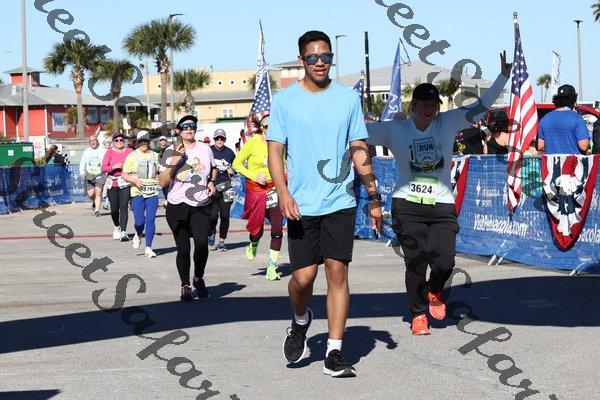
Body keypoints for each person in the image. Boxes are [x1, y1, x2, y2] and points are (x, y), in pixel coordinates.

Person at [367, 52, 510, 336]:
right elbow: (356, 132)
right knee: (416, 261)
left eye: (434, 104)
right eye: (425, 104)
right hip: (407, 206)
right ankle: (418, 314)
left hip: (441, 204)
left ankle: (435, 289)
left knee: (444, 262)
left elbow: (481, 107)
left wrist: (503, 77)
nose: (430, 109)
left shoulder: (448, 122)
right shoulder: (396, 129)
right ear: (413, 106)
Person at [267, 30, 382, 377]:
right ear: (301, 60)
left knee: (337, 271)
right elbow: (275, 151)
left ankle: (334, 351)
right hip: (300, 204)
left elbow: (359, 148)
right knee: (303, 279)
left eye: (326, 57)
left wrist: (373, 197)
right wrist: (283, 192)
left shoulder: (347, 99)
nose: (320, 63)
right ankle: (301, 320)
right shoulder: (285, 101)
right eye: (313, 57)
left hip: (340, 200)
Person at [158, 115, 217, 301]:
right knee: (183, 249)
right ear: (178, 130)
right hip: (177, 205)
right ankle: (185, 285)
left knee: (201, 243)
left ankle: (198, 278)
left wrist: (212, 182)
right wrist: (175, 160)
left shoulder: (205, 149)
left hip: (200, 203)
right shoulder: (170, 151)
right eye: (185, 127)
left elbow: (213, 169)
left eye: (192, 126)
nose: (189, 129)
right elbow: (162, 182)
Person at [233, 116, 285, 281]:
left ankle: (272, 267)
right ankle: (254, 242)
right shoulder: (253, 142)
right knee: (257, 230)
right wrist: (254, 175)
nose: (271, 130)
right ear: (262, 128)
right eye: (268, 127)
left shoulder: (279, 143)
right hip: (256, 189)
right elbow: (236, 164)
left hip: (274, 189)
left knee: (277, 229)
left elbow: (284, 163)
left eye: (273, 127)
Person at [122, 130, 160, 258]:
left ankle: (148, 248)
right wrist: (134, 180)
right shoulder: (132, 156)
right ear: (138, 142)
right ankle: (138, 233)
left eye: (146, 141)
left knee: (150, 219)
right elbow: (124, 174)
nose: (144, 143)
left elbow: (160, 172)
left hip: (153, 192)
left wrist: (159, 178)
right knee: (139, 222)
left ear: (149, 142)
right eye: (141, 141)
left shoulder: (155, 155)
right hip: (137, 192)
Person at [537, 84, 590, 155]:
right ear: (573, 100)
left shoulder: (544, 119)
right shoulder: (577, 119)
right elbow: (583, 146)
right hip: (572, 161)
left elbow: (540, 146)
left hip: (551, 161)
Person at [102, 132, 133, 241]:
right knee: (114, 209)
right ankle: (117, 226)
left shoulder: (130, 151)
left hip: (125, 182)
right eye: (116, 140)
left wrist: (127, 168)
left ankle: (124, 232)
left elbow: (135, 164)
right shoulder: (109, 152)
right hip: (113, 182)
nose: (119, 142)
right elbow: (103, 168)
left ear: (124, 141)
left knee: (124, 207)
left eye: (121, 140)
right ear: (113, 142)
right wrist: (114, 166)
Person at [208, 128, 236, 251]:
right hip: (213, 187)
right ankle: (212, 232)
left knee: (225, 215)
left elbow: (236, 169)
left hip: (227, 187)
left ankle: (222, 241)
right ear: (214, 139)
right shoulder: (209, 151)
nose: (219, 140)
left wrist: (232, 170)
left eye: (222, 138)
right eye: (217, 138)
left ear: (225, 140)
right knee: (213, 215)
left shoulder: (230, 152)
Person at [79, 135, 106, 217]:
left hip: (100, 174)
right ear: (89, 142)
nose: (93, 142)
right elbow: (82, 162)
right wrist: (81, 172)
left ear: (97, 141)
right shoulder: (86, 152)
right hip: (89, 174)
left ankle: (97, 210)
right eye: (91, 141)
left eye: (94, 140)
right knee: (91, 194)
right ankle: (94, 201)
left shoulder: (103, 151)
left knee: (98, 192)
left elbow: (107, 160)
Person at [156, 135, 171, 207]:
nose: (163, 142)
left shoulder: (169, 148)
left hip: (168, 168)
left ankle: (168, 199)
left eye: (164, 140)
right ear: (159, 142)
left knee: (169, 184)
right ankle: (166, 198)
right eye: (161, 140)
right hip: (160, 169)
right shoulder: (156, 150)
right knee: (163, 185)